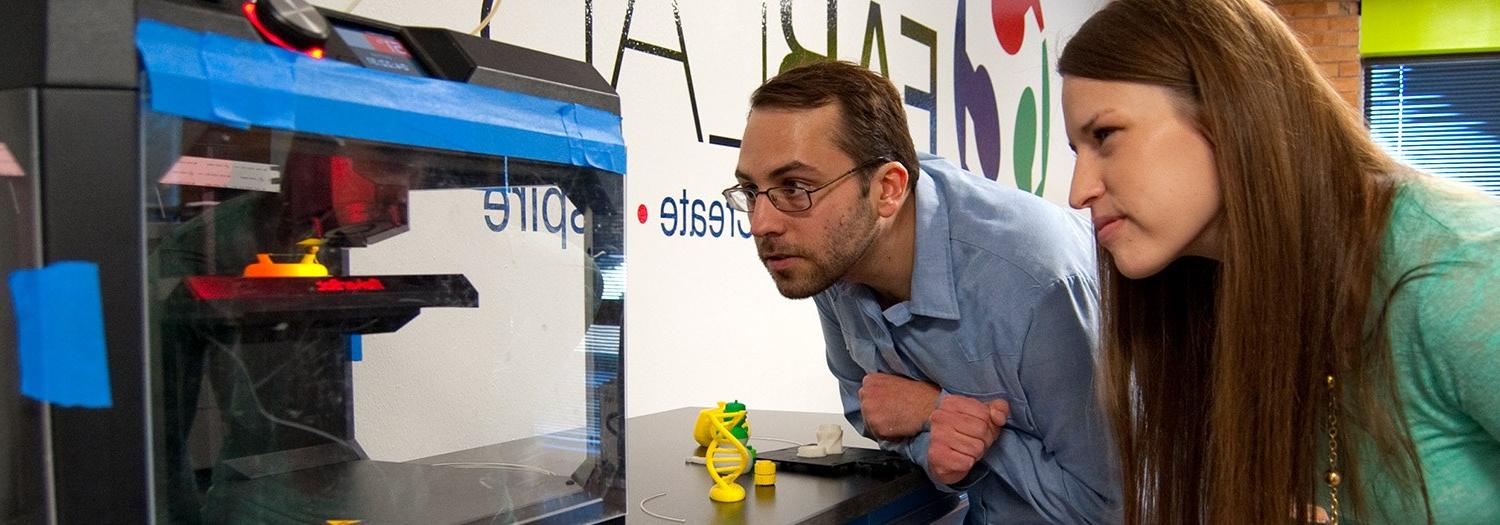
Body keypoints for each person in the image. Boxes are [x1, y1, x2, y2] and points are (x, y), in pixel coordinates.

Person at [1058, 1, 1500, 524]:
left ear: (1227, 107)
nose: (1078, 191)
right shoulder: (1223, 296)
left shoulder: (1462, 270)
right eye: (1075, 151)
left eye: (1105, 136)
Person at [728, 60, 1120, 523]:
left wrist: (942, 415)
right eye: (752, 190)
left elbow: (1110, 506)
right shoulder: (831, 254)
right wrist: (932, 434)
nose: (761, 224)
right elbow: (870, 409)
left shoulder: (1036, 283)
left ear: (888, 190)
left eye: (795, 187)